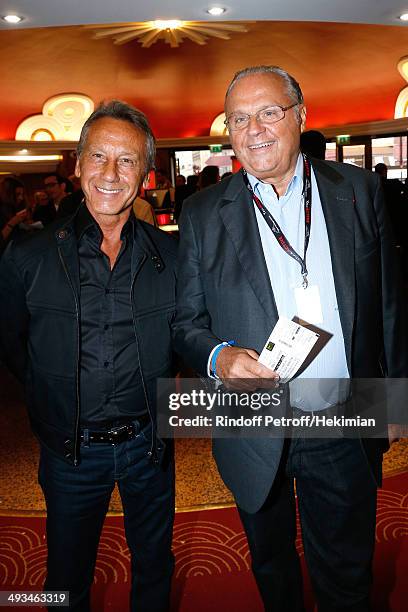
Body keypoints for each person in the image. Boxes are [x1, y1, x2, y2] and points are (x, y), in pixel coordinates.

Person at [173, 65, 408, 611]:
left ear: (301, 115)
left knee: (348, 574)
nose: (253, 129)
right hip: (254, 424)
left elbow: (389, 304)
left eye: (268, 112)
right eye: (239, 118)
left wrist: (394, 397)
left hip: (343, 419)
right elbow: (183, 322)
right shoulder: (204, 213)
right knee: (272, 568)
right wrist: (218, 357)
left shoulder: (357, 191)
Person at [0, 100, 177, 612]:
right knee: (65, 578)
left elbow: (184, 337)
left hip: (150, 446)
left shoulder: (172, 256)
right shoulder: (29, 255)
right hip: (70, 452)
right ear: (77, 165)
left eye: (126, 161)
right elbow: (12, 344)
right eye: (98, 157)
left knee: (154, 567)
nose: (110, 173)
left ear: (145, 175)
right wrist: (51, 392)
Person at [0, 176, 29, 255]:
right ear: (7, 193)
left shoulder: (14, 209)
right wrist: (12, 222)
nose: (21, 198)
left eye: (22, 194)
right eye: (17, 194)